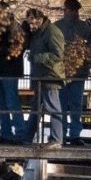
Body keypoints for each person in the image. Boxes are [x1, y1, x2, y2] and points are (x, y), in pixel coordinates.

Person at [20, 8, 65, 148]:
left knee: (53, 107)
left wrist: (37, 57)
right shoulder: (37, 33)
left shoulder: (51, 32)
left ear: (40, 19)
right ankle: (27, 137)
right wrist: (25, 30)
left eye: (32, 22)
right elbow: (26, 44)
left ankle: (56, 139)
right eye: (29, 23)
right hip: (40, 76)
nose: (31, 26)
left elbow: (58, 55)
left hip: (50, 75)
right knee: (36, 108)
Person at [55, 0, 91, 146]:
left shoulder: (83, 27)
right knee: (62, 105)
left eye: (76, 10)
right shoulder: (57, 27)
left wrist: (86, 64)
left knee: (75, 105)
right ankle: (61, 133)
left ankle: (74, 135)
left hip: (78, 73)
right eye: (71, 10)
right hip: (62, 73)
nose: (74, 13)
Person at [0, 3, 25, 145]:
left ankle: (20, 133)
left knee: (11, 102)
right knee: (0, 103)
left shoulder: (14, 28)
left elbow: (16, 50)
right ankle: (6, 133)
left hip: (9, 70)